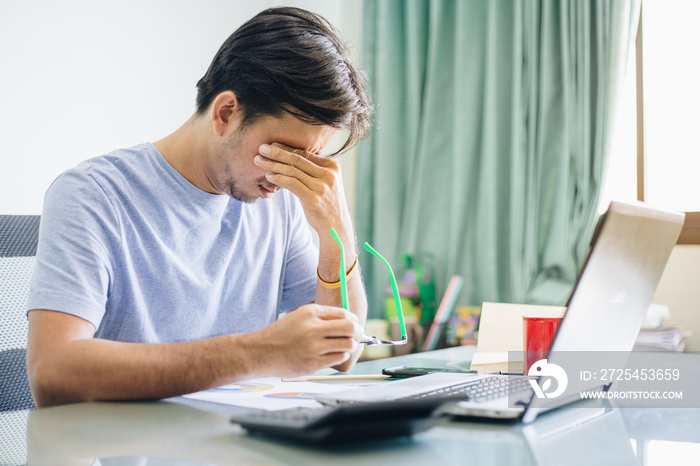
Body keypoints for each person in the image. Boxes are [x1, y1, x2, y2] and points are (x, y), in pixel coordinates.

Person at [26, 7, 372, 408]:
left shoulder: (279, 205)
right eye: (284, 152)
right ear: (226, 113)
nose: (286, 177)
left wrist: (337, 229)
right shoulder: (93, 195)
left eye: (309, 159)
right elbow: (53, 372)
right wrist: (259, 352)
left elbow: (345, 353)